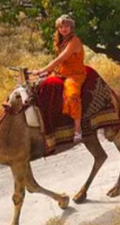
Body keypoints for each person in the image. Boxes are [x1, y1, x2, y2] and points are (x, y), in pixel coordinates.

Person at [32, 15, 87, 143]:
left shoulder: (74, 41)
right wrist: (47, 72)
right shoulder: (61, 41)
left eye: (66, 26)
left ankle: (78, 129)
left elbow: (59, 59)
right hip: (60, 73)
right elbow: (60, 64)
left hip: (74, 75)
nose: (64, 29)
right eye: (61, 27)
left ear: (71, 27)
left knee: (72, 94)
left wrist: (41, 70)